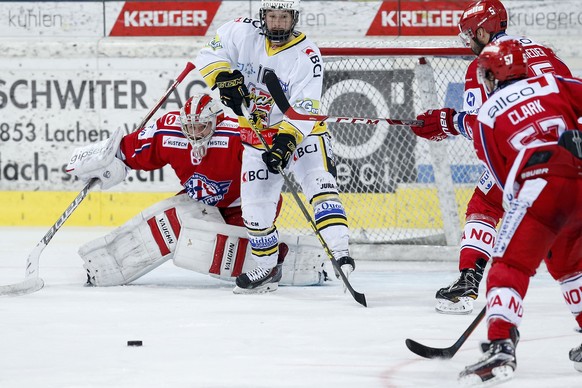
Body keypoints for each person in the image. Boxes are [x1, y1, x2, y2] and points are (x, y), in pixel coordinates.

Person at [410, 0, 572, 314]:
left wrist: (447, 121)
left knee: (485, 203)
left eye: (470, 34)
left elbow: (485, 125)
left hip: (526, 156)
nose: (469, 42)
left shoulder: (484, 64)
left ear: (483, 31)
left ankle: (468, 280)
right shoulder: (544, 51)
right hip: (571, 151)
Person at [65, 93, 326, 288]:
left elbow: (271, 172)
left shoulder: (237, 136)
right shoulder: (169, 131)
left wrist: (279, 152)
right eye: (189, 127)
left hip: (242, 206)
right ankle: (103, 265)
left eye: (201, 126)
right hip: (198, 200)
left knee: (225, 249)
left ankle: (284, 261)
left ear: (216, 121)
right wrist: (107, 161)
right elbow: (129, 149)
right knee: (166, 223)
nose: (194, 133)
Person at [195, 0, 355, 294]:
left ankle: (341, 255)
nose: (278, 23)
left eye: (284, 17)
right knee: (255, 212)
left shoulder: (307, 55)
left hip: (302, 136)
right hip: (256, 138)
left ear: (294, 18)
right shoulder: (241, 33)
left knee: (320, 186)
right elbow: (209, 52)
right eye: (272, 16)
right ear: (263, 16)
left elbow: (305, 108)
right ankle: (267, 267)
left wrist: (284, 144)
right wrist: (223, 78)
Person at [456, 39, 582, 386]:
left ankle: (499, 346)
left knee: (509, 264)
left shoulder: (487, 114)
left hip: (538, 186)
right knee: (570, 265)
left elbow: (500, 176)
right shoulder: (553, 83)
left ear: (494, 74)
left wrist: (530, 224)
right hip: (580, 180)